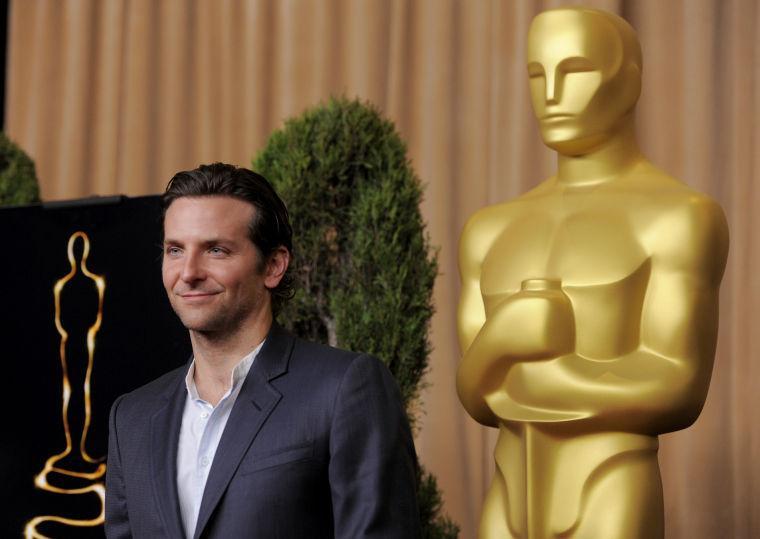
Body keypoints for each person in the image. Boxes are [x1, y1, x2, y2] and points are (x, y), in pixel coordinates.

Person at [456, 7, 728, 538]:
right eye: (538, 75)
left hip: (610, 484)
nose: (551, 94)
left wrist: (542, 373)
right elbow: (475, 396)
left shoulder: (679, 217)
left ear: (629, 82)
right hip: (507, 488)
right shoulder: (489, 229)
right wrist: (504, 342)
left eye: (575, 70)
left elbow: (680, 386)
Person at [105, 163, 421, 538]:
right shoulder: (132, 418)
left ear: (273, 266)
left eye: (216, 250)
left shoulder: (344, 389)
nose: (188, 272)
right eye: (175, 250)